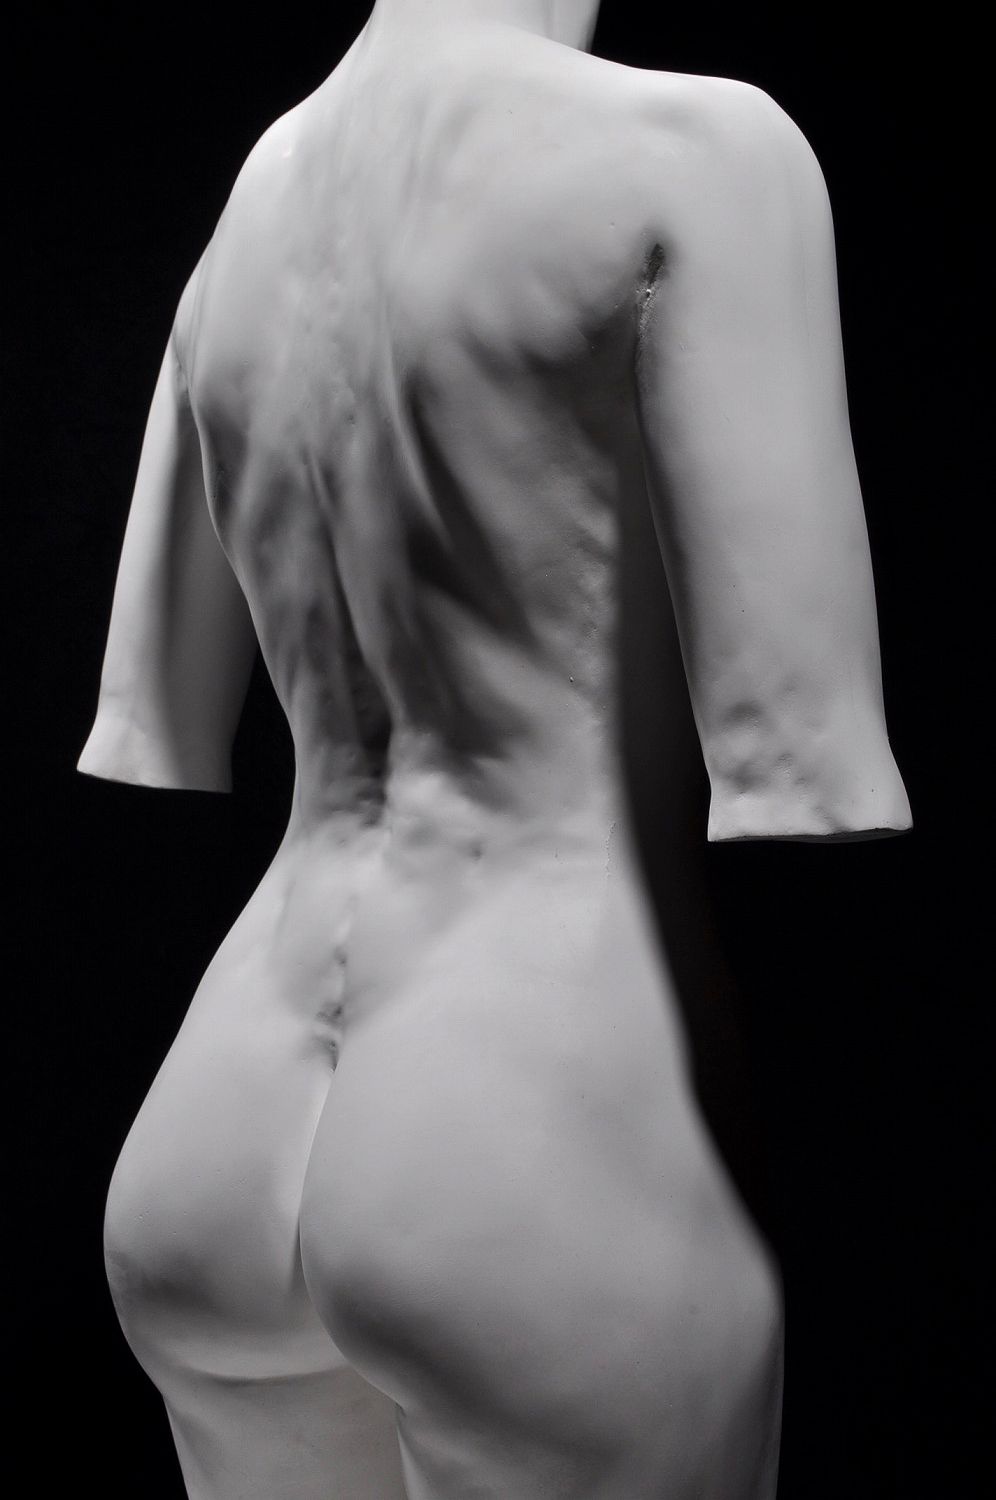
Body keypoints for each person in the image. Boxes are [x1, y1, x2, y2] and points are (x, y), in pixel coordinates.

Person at [77, 2, 912, 1495]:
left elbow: (154, 716)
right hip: (523, 1101)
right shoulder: (697, 152)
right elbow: (801, 749)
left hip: (218, 1111)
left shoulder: (252, 200)